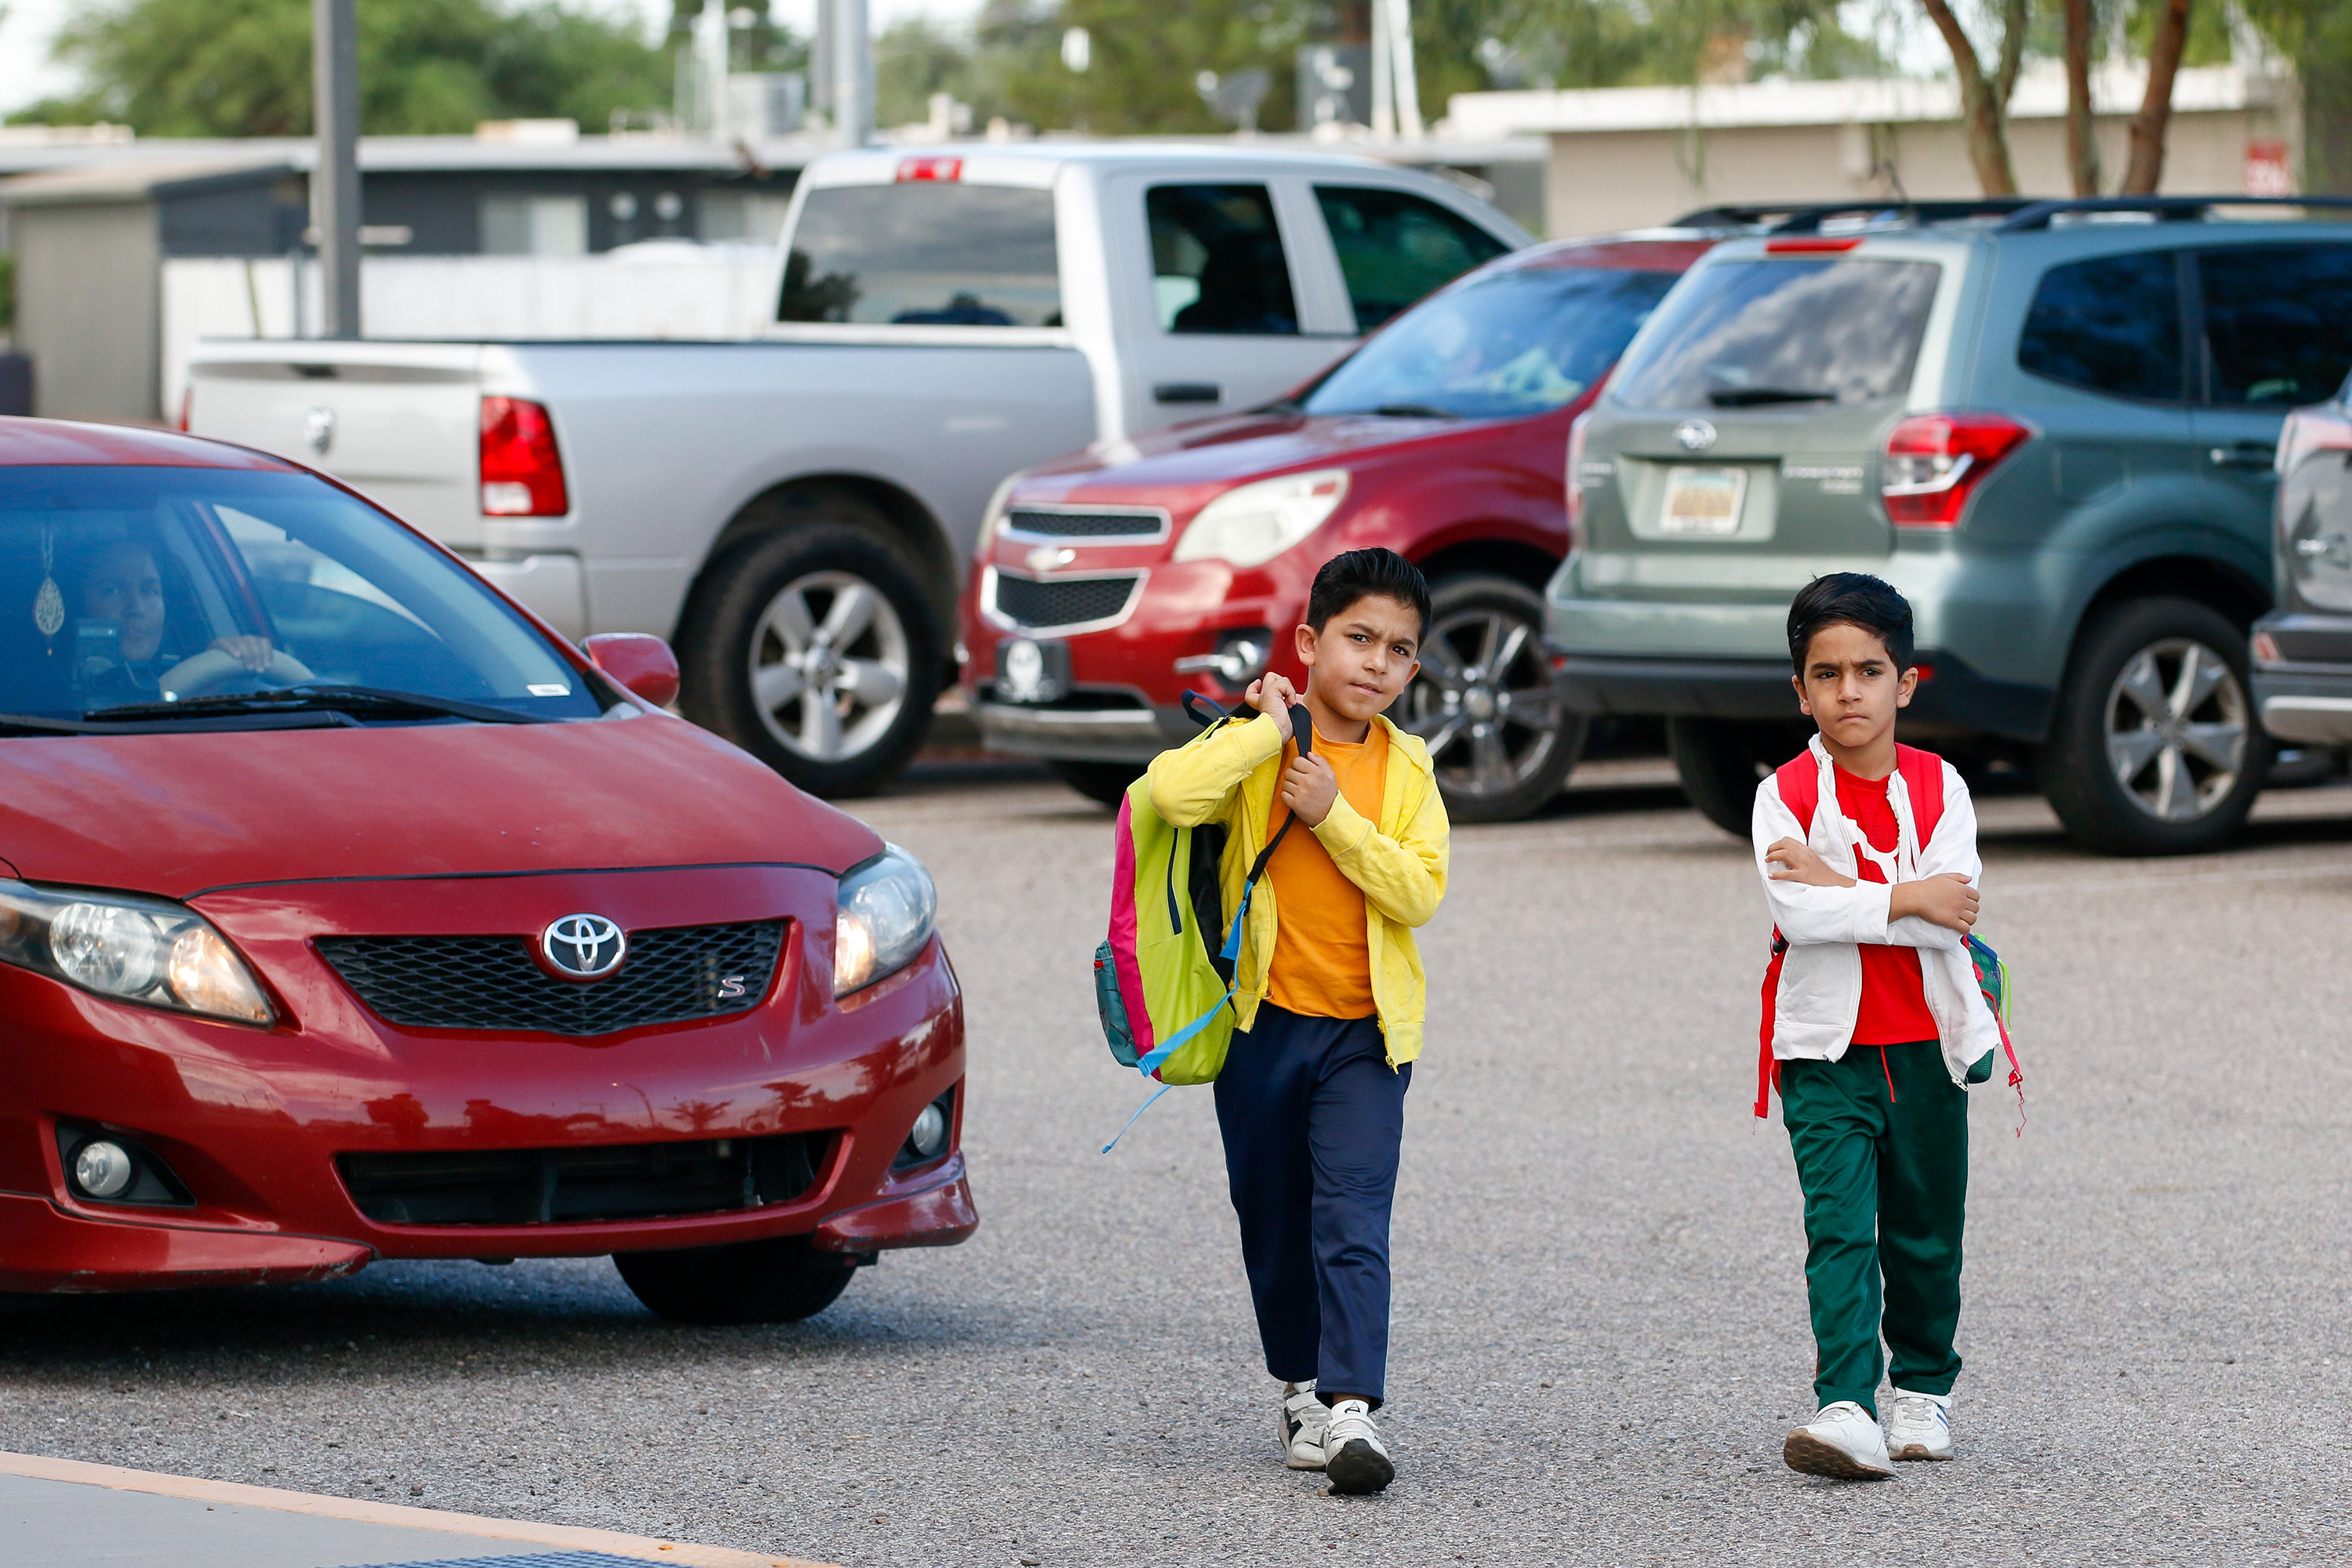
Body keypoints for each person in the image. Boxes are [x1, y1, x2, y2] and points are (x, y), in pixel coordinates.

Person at [1144, 547, 1449, 1495]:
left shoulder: (1408, 764)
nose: (1376, 663)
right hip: (1261, 1025)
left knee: (1353, 1214)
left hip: (1366, 1033)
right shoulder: (1255, 743)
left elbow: (1419, 889)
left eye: (1399, 650)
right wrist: (1265, 731)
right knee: (1273, 1218)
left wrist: (1332, 817)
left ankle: (1355, 1410)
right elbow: (1168, 793)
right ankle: (1301, 1386)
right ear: (1311, 642)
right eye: (1358, 638)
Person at [1755, 572, 2005, 1479]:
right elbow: (1804, 917)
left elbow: (1955, 909)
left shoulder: (1945, 787)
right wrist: (1902, 895)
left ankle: (1925, 1390)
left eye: (1869, 669)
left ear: (1905, 681)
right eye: (1826, 673)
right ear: (1801, 689)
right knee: (1840, 1230)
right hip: (1824, 1054)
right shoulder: (1780, 794)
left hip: (1928, 1048)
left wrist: (1841, 885)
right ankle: (1847, 1405)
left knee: (1927, 1229)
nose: (1847, 690)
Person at [74, 539, 310, 706]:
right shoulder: (47, 698)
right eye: (111, 590)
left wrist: (223, 675)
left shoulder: (198, 678)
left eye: (149, 590)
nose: (135, 608)